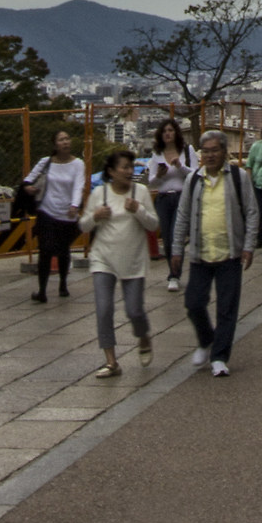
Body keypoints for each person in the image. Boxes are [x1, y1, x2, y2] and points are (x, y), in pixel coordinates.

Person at [171, 130, 258, 377]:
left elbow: (252, 212)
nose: (210, 156)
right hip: (201, 251)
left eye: (214, 150)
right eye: (205, 151)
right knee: (193, 302)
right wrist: (177, 248)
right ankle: (206, 338)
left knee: (227, 308)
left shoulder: (238, 178)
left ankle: (220, 356)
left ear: (224, 152)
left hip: (230, 252)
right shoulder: (193, 180)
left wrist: (249, 245)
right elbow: (183, 216)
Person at [82, 149, 158, 380]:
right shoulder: (99, 194)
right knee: (104, 309)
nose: (128, 171)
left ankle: (143, 336)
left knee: (134, 309)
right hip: (103, 259)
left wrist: (139, 210)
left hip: (133, 259)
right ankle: (111, 361)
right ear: (111, 171)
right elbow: (83, 225)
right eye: (123, 167)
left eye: (130, 166)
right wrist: (95, 216)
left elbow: (153, 225)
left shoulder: (141, 192)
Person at [23, 126, 85, 303]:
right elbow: (28, 179)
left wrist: (75, 205)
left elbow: (78, 185)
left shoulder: (78, 164)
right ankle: (42, 290)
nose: (65, 142)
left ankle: (63, 283)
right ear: (55, 144)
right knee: (45, 250)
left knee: (63, 250)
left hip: (67, 214)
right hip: (47, 211)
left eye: (67, 138)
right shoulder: (46, 162)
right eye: (61, 139)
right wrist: (29, 187)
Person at [144, 119, 197, 293]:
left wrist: (180, 166)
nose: (168, 134)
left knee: (177, 235)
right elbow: (151, 183)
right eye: (165, 131)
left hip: (182, 197)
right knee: (166, 238)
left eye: (171, 130)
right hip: (163, 198)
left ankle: (174, 275)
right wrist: (159, 175)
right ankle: (172, 269)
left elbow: (195, 174)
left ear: (176, 133)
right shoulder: (157, 154)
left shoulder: (187, 151)